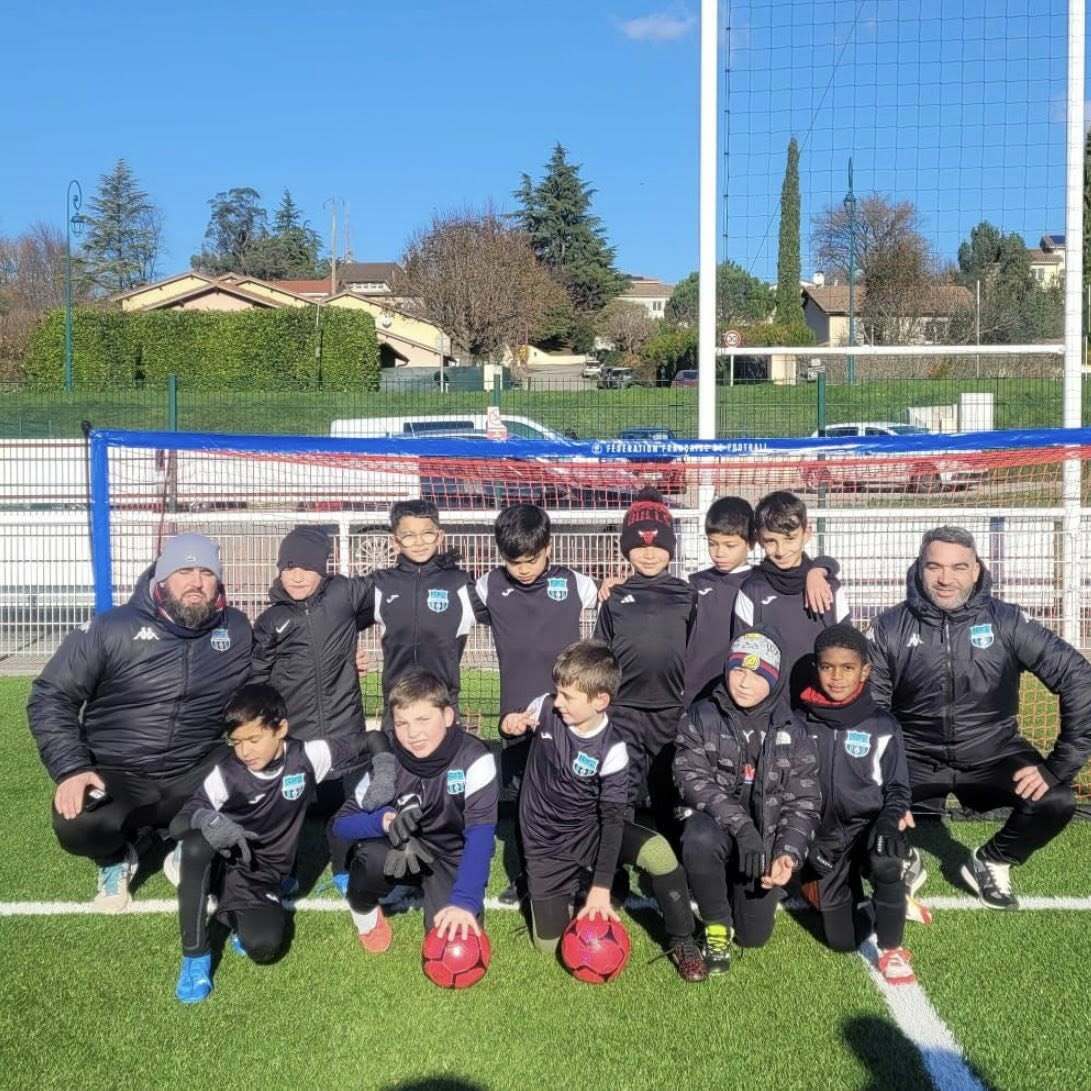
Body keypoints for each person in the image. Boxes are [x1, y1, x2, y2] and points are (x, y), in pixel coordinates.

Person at [868, 525, 1091, 909]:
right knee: (853, 796)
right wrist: (883, 778)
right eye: (934, 567)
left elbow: (1077, 676)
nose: (945, 578)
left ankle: (993, 860)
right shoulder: (889, 627)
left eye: (958, 567)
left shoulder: (1007, 621)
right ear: (919, 568)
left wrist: (1058, 766)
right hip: (914, 755)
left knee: (1056, 799)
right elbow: (872, 712)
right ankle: (904, 858)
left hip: (992, 752)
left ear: (976, 570)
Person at [27, 533, 252, 911]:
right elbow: (51, 696)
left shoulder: (237, 629)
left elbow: (270, 681)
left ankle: (188, 851)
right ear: (162, 579)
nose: (196, 582)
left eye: (206, 573)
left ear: (218, 583)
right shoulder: (110, 629)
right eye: (184, 572)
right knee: (77, 822)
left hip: (194, 767)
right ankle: (116, 856)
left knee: (261, 784)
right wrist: (72, 768)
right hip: (120, 772)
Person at [502, 640, 708, 982]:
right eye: (557, 692)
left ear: (600, 701)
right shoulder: (544, 708)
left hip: (590, 831)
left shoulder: (612, 750)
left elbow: (613, 821)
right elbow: (514, 721)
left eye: (568, 696)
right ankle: (558, 886)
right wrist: (507, 723)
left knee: (659, 852)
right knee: (549, 945)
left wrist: (601, 887)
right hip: (544, 847)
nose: (558, 701)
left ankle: (683, 938)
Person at [169, 684, 364, 1003]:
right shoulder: (227, 774)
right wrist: (209, 820)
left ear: (281, 729)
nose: (245, 751)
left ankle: (237, 910)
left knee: (263, 946)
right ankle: (195, 956)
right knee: (194, 846)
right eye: (237, 742)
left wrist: (386, 767)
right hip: (228, 865)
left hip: (265, 875)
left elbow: (370, 741)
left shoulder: (306, 757)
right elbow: (179, 822)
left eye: (254, 739)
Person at [249, 525, 397, 892]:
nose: (297, 576)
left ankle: (343, 868)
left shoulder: (343, 593)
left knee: (342, 805)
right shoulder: (271, 620)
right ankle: (284, 871)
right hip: (295, 733)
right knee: (288, 808)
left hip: (343, 726)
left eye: (307, 567)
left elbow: (389, 588)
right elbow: (257, 677)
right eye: (289, 567)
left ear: (323, 568)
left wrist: (349, 653)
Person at [675, 629, 821, 972]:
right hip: (721, 830)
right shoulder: (700, 716)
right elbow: (690, 779)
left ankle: (738, 887)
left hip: (763, 842)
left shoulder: (794, 729)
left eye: (757, 675)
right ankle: (716, 925)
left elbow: (804, 801)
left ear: (775, 679)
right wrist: (743, 829)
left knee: (753, 937)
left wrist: (787, 853)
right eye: (738, 669)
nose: (743, 682)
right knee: (698, 838)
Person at [478, 503, 599, 905]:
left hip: (568, 717)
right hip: (516, 718)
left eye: (532, 559)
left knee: (573, 799)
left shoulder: (577, 583)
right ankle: (527, 877)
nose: (524, 569)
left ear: (548, 547)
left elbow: (612, 604)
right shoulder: (487, 586)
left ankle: (579, 874)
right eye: (514, 562)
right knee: (522, 803)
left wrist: (615, 586)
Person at [331, 670, 498, 952]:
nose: (413, 733)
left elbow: (480, 835)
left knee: (452, 941)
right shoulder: (387, 760)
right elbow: (341, 824)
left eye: (423, 719)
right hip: (402, 850)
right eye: (402, 723)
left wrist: (464, 901)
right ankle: (365, 912)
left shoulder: (475, 758)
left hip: (453, 854)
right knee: (370, 860)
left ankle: (435, 888)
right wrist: (384, 822)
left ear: (447, 716)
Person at [796, 625, 916, 985]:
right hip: (822, 838)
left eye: (847, 668)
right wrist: (806, 844)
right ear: (816, 668)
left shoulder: (883, 725)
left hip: (867, 830)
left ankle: (892, 947)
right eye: (827, 667)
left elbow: (898, 788)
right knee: (843, 941)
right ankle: (868, 899)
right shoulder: (796, 721)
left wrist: (888, 822)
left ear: (865, 671)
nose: (836, 677)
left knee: (885, 858)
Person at [594, 488, 695, 836]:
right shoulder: (615, 597)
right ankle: (614, 861)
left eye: (657, 546)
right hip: (624, 710)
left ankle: (674, 862)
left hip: (671, 710)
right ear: (626, 549)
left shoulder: (688, 595)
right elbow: (600, 654)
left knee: (669, 790)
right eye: (639, 546)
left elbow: (698, 649)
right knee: (620, 791)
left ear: (671, 548)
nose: (649, 554)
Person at [685, 495, 836, 704]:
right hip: (698, 695)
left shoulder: (758, 583)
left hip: (750, 690)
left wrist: (819, 569)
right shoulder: (694, 584)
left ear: (752, 542)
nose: (720, 552)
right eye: (713, 544)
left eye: (730, 545)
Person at [361, 499, 487, 720]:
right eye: (409, 536)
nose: (419, 542)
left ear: (439, 536)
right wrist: (348, 654)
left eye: (427, 534)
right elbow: (339, 620)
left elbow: (510, 617)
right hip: (397, 709)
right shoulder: (380, 585)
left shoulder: (460, 584)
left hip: (442, 708)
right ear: (395, 542)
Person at [733, 491, 849, 701]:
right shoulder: (752, 590)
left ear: (807, 533)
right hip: (769, 705)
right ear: (759, 539)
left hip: (821, 703)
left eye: (790, 538)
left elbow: (849, 650)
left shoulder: (830, 588)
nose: (781, 550)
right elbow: (742, 656)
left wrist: (819, 570)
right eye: (771, 541)